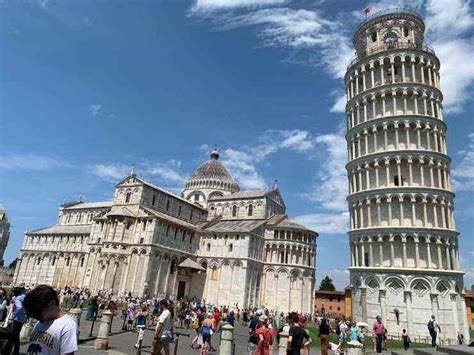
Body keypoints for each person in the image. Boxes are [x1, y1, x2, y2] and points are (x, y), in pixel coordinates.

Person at [23, 285, 78, 355]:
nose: (35, 316)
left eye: (38, 312)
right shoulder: (41, 322)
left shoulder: (68, 326)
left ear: (52, 303)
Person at [11, 287, 27, 355]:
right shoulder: (25, 297)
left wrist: (13, 314)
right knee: (16, 335)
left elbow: (19, 307)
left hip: (17, 319)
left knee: (15, 335)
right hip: (23, 318)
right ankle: (15, 350)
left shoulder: (17, 298)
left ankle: (15, 351)